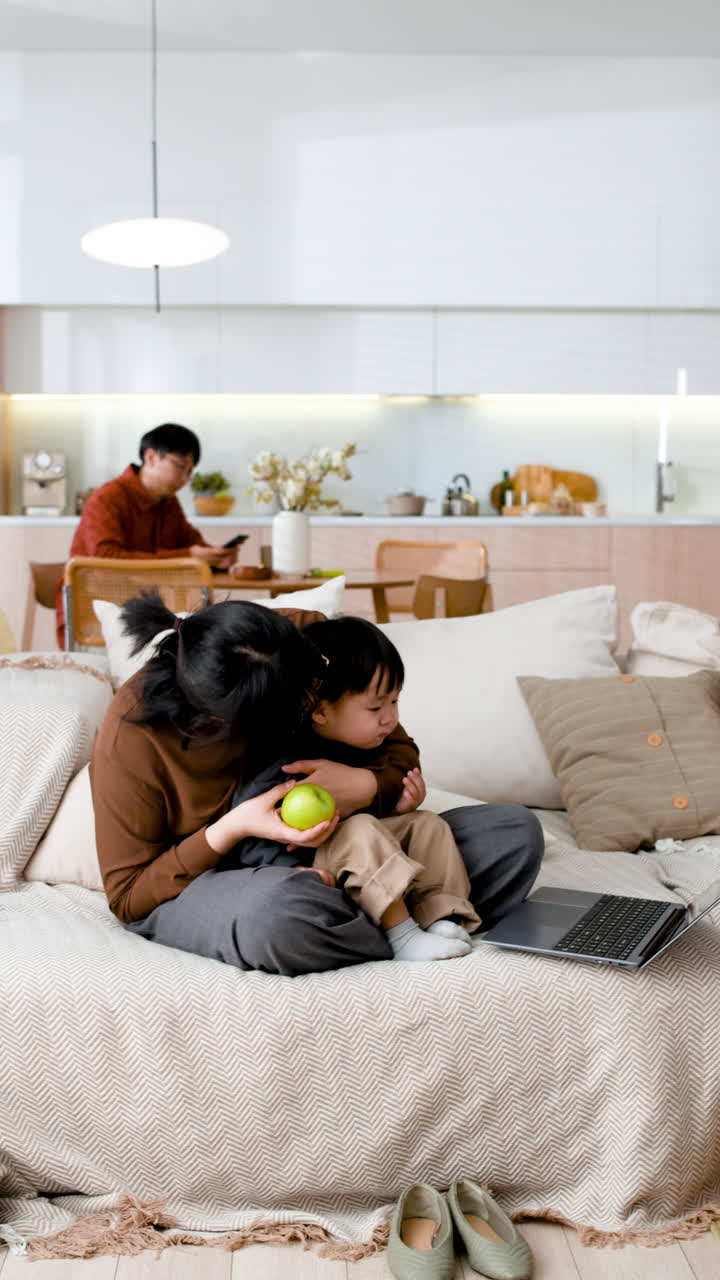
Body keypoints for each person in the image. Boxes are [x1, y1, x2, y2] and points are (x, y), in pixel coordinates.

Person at [91, 593, 544, 977]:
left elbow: (395, 746)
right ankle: (401, 925)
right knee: (278, 915)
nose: (306, 713)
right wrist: (232, 828)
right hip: (227, 879)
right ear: (221, 721)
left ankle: (387, 917)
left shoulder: (301, 644)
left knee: (512, 833)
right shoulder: (132, 738)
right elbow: (130, 898)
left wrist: (367, 785)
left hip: (346, 846)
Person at [224, 616, 481, 962]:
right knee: (358, 830)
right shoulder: (285, 760)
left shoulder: (367, 742)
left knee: (428, 824)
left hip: (354, 855)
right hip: (305, 865)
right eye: (376, 707)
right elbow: (249, 834)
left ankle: (440, 916)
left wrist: (395, 808)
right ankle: (401, 935)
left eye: (395, 701)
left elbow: (375, 806)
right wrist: (282, 871)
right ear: (319, 711)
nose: (390, 718)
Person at [56, 422, 234, 645]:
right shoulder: (107, 498)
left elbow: (192, 544)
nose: (185, 479)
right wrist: (188, 556)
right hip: (97, 615)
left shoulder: (168, 502)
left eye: (190, 471)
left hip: (149, 614)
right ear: (150, 457)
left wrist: (216, 557)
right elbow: (103, 561)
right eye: (180, 467)